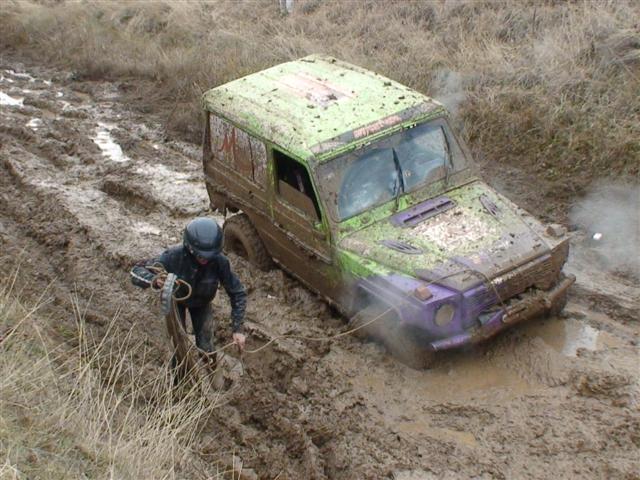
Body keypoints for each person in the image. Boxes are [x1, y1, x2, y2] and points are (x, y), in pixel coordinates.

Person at [130, 217, 247, 359]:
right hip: (176, 303)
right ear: (189, 247)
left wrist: (238, 329)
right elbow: (136, 272)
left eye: (208, 256)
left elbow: (238, 293)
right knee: (177, 345)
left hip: (202, 304)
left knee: (206, 347)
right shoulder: (172, 257)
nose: (204, 260)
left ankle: (209, 367)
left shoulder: (220, 262)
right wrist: (155, 280)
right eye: (200, 256)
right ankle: (179, 370)